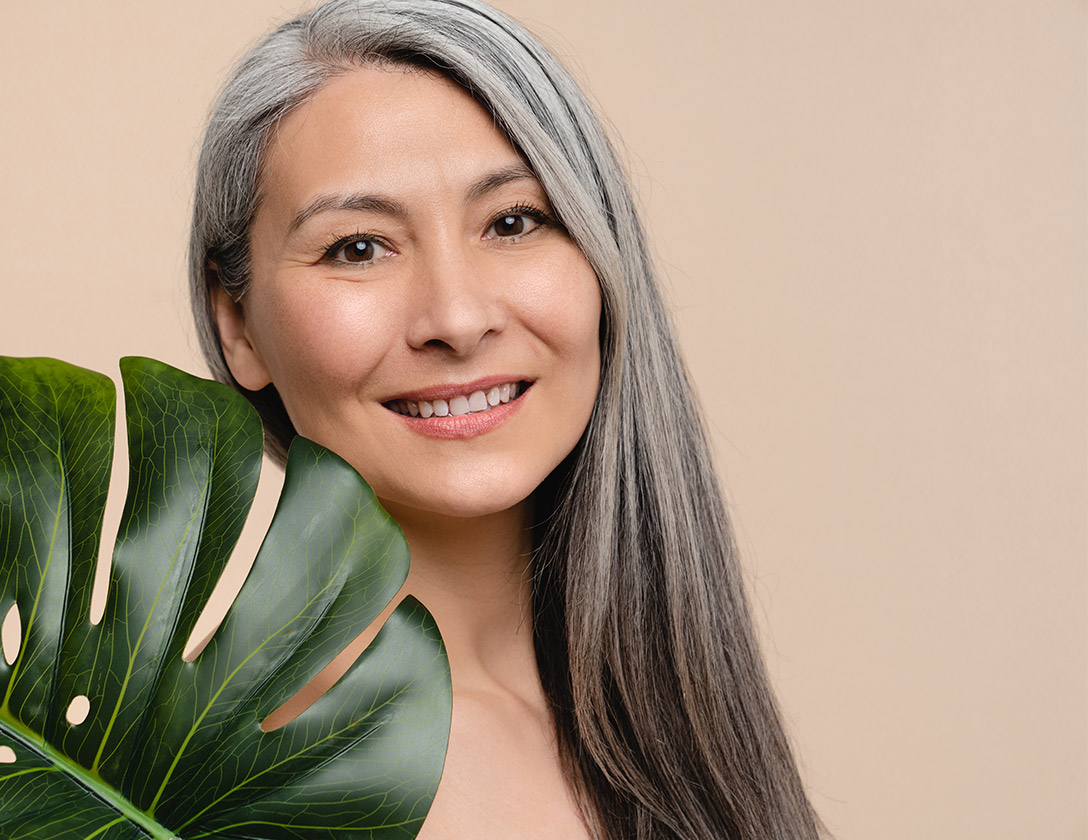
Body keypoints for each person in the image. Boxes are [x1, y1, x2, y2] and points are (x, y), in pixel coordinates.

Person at [189, 0, 823, 837]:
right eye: (359, 247)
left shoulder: (679, 722)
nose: (455, 317)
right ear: (238, 326)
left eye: (513, 222)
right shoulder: (211, 774)